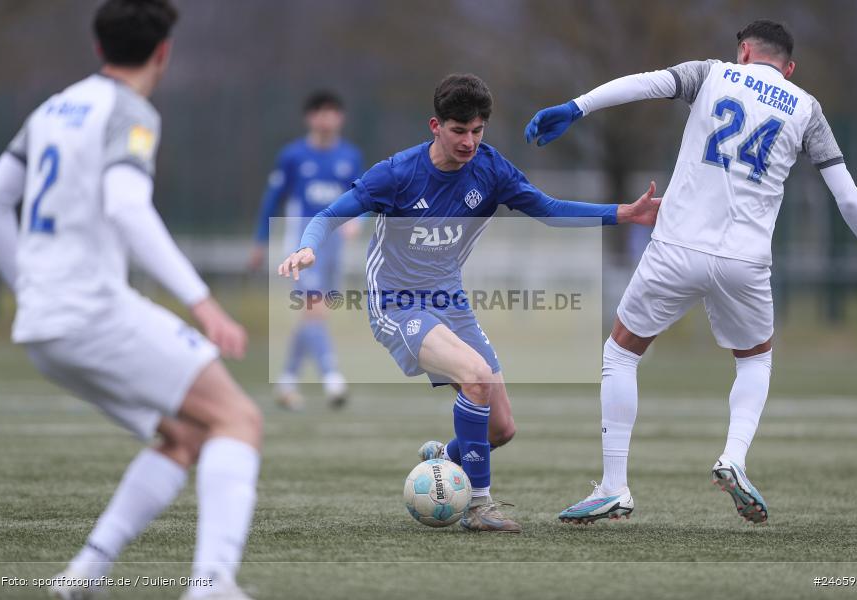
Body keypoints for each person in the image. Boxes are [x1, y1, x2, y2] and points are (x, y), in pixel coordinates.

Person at [525, 19, 857, 525]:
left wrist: (576, 107)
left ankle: (613, 486)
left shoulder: (711, 73)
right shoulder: (806, 108)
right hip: (745, 260)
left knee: (621, 353)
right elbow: (847, 196)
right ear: (789, 67)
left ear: (745, 51)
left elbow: (644, 83)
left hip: (676, 246)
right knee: (755, 361)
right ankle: (733, 457)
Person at [279, 73, 660, 533]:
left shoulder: (491, 171)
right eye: (459, 130)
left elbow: (550, 210)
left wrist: (623, 213)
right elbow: (327, 215)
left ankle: (442, 458)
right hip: (397, 304)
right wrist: (307, 246)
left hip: (450, 301)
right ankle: (479, 506)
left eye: (477, 131)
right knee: (476, 377)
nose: (469, 142)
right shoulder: (398, 174)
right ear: (435, 126)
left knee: (500, 428)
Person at [0, 1, 262, 597]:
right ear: (163, 52)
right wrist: (203, 303)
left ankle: (86, 574)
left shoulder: (52, 109)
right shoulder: (130, 111)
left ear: (98, 46)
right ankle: (212, 585)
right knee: (238, 418)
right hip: (93, 313)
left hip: (43, 327)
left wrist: (26, 287)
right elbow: (128, 207)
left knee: (184, 434)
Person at [249, 91, 362, 410]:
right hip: (303, 244)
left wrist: (358, 220)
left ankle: (287, 381)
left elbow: (364, 196)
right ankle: (332, 378)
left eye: (332, 112)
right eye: (319, 112)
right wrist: (260, 240)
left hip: (335, 246)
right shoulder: (293, 156)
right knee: (314, 308)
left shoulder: (350, 156)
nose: (326, 119)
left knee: (312, 315)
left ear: (340, 117)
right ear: (309, 117)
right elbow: (272, 200)